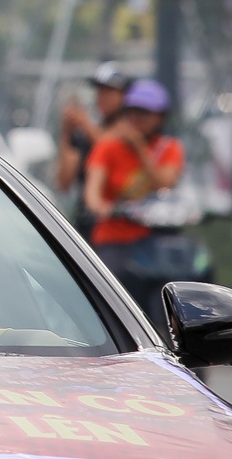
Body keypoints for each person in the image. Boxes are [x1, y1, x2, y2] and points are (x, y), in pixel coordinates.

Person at [85, 78, 188, 318]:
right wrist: (103, 207)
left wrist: (139, 148)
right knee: (112, 283)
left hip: (155, 239)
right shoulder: (108, 147)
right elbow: (92, 194)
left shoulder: (169, 148)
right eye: (132, 112)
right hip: (114, 238)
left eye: (145, 113)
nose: (137, 119)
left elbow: (166, 182)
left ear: (160, 117)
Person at [57, 61, 131, 234]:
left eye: (109, 91)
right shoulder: (87, 135)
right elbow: (64, 182)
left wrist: (85, 124)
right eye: (100, 91)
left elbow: (112, 150)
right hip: (87, 223)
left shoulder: (131, 132)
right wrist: (67, 133)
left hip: (120, 227)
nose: (102, 97)